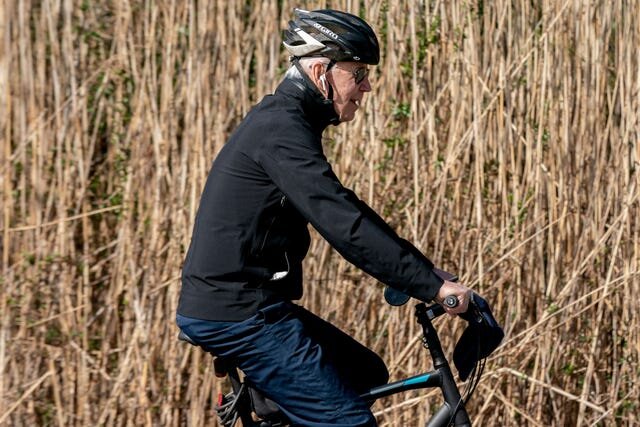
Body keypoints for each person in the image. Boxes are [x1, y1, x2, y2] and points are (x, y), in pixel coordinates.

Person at [176, 8, 473, 426]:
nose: (366, 87)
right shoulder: (280, 129)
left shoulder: (288, 123)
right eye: (358, 73)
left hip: (252, 303)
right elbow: (344, 227)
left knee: (363, 374)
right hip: (238, 312)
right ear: (321, 71)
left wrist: (428, 275)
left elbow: (347, 208)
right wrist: (432, 287)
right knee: (350, 422)